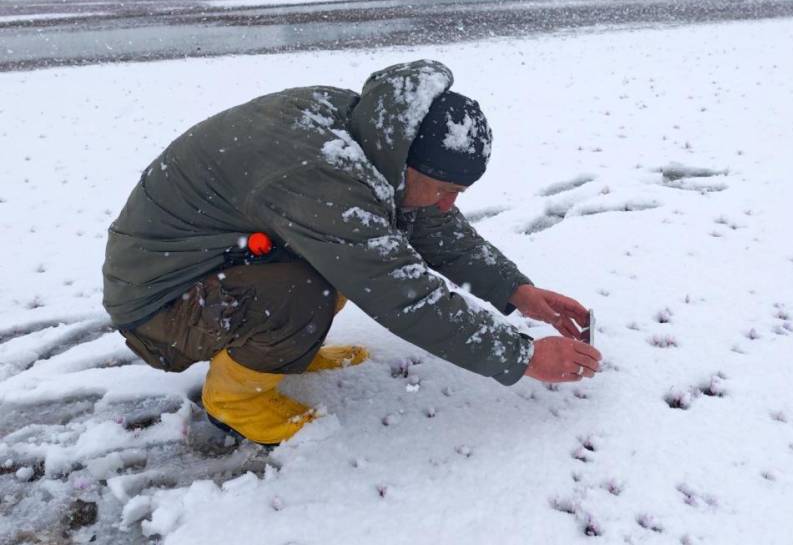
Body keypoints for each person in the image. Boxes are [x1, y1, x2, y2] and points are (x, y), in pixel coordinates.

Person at [102, 59, 602, 445]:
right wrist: (520, 355)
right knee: (311, 285)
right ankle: (235, 401)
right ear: (406, 161)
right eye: (443, 188)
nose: (448, 204)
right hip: (158, 311)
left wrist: (515, 291)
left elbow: (425, 220)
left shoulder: (374, 134)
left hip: (213, 266)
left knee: (337, 260)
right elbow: (400, 292)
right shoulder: (321, 174)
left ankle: (281, 350)